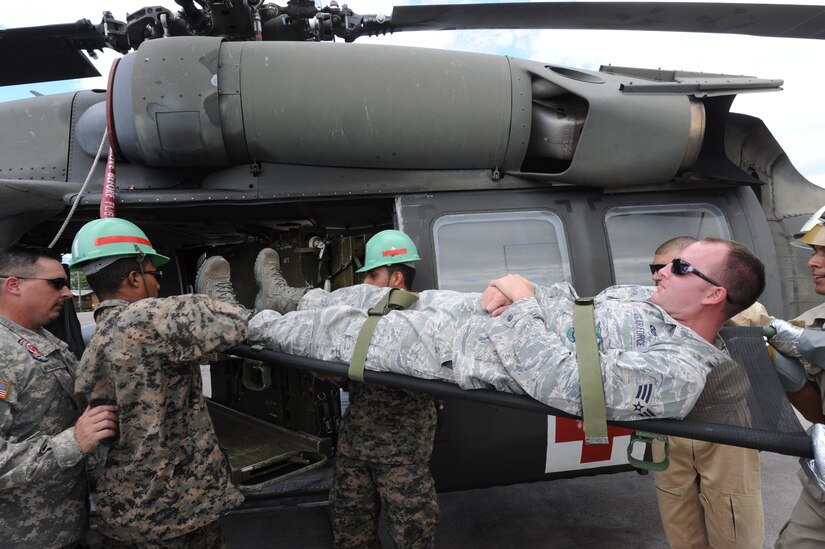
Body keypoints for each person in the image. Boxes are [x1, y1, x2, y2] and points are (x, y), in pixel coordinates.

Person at [239, 237, 765, 422]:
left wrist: (519, 304)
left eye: (678, 268)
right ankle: (294, 299)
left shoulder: (679, 372)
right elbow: (573, 305)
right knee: (388, 297)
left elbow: (564, 382)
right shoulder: (647, 302)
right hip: (500, 316)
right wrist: (513, 289)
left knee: (350, 331)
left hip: (477, 352)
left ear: (714, 294)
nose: (661, 271)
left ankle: (242, 322)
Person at [70, 218, 250, 548]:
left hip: (128, 505)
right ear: (135, 277)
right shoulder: (146, 316)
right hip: (175, 509)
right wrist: (210, 298)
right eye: (157, 276)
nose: (157, 286)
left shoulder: (95, 345)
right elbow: (233, 323)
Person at [650, 236, 767, 549]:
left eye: (676, 267)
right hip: (670, 428)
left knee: (733, 523)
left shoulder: (743, 315)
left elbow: (772, 346)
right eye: (655, 268)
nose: (658, 275)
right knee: (681, 525)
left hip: (727, 432)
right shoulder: (647, 318)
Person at [0, 244, 117, 548]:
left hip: (62, 527)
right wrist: (73, 442)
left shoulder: (37, 336)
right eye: (56, 283)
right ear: (14, 285)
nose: (67, 293)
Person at [329, 230, 439, 548]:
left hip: (401, 456)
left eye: (373, 275)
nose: (365, 285)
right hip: (355, 449)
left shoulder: (426, 323)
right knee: (349, 533)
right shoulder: (363, 321)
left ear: (396, 278)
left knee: (414, 538)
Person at [772, 208, 825, 548]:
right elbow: (818, 414)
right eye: (816, 252)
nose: (812, 263)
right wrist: (778, 362)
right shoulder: (811, 321)